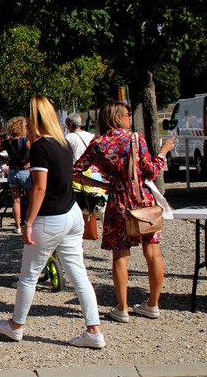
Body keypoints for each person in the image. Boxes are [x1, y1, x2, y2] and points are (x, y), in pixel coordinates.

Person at [0, 96, 105, 349]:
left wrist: (27, 222)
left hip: (51, 216)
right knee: (79, 274)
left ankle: (16, 325)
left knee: (28, 275)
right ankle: (93, 330)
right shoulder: (63, 143)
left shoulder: (41, 147)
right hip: (71, 213)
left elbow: (40, 189)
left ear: (33, 118)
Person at [73, 100, 176, 323]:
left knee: (120, 255)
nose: (130, 117)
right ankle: (153, 304)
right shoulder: (136, 139)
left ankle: (122, 308)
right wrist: (163, 152)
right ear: (118, 116)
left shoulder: (98, 143)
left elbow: (76, 171)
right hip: (143, 200)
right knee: (153, 253)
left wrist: (101, 185)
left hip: (118, 201)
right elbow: (150, 171)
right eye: (127, 114)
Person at [0, 117, 32, 234]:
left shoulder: (7, 142)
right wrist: (28, 162)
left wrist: (5, 159)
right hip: (25, 171)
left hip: (13, 171)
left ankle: (18, 226)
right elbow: (33, 152)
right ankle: (30, 223)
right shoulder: (25, 140)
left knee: (16, 200)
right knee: (30, 199)